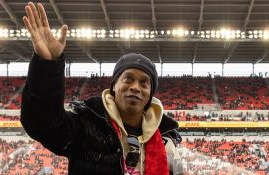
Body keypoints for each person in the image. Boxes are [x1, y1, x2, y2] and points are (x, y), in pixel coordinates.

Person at [20, 2, 183, 175]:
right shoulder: (86, 125)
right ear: (114, 86)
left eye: (144, 83)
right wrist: (47, 65)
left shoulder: (167, 139)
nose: (136, 87)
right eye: (128, 79)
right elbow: (42, 125)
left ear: (150, 94)